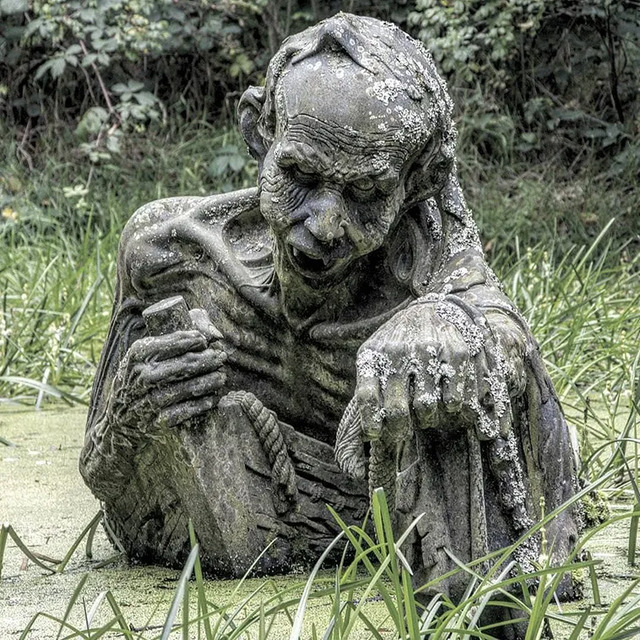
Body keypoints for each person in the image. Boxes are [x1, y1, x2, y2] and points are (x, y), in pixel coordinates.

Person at [81, 13, 580, 620]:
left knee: (453, 361)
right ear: (259, 134)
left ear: (413, 186)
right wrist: (132, 406)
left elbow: (504, 340)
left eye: (367, 193)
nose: (323, 226)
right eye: (299, 175)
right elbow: (103, 474)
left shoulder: (432, 275)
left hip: (385, 563)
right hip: (202, 566)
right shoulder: (169, 254)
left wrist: (448, 324)